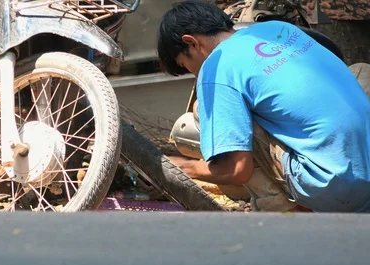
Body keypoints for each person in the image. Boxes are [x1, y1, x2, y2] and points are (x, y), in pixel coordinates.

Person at [157, 0, 370, 212]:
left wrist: (183, 167)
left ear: (192, 43)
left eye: (186, 66)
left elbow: (237, 170)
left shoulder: (216, 66)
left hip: (334, 188)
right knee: (360, 71)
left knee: (204, 111)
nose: (194, 74)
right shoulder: (279, 29)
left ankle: (281, 209)